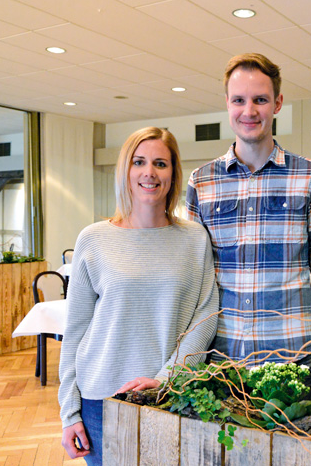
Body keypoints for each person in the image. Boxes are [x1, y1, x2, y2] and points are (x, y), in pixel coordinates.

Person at [185, 53, 311, 411]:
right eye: (239, 100)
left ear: (278, 104)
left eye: (260, 99)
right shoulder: (202, 183)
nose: (249, 111)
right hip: (222, 365)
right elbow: (193, 280)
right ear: (227, 104)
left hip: (294, 361)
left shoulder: (310, 177)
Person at [58, 127, 218, 464]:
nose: (149, 172)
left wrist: (165, 381)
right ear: (125, 171)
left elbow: (204, 319)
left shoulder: (194, 239)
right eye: (139, 162)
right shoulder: (93, 239)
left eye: (160, 163)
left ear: (173, 173)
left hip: (169, 399)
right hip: (101, 402)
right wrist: (69, 412)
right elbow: (74, 333)